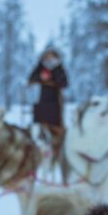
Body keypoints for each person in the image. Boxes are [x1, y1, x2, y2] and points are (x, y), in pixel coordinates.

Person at [28, 48, 70, 180]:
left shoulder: (59, 68)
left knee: (57, 131)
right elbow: (31, 78)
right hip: (42, 103)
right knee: (39, 128)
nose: (49, 58)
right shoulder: (40, 67)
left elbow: (64, 82)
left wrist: (51, 78)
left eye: (51, 56)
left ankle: (57, 153)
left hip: (56, 104)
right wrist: (41, 78)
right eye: (47, 56)